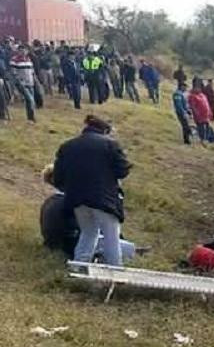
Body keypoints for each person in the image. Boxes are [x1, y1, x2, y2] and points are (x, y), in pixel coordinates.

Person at [52, 115, 132, 266]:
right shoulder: (110, 144)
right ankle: (114, 271)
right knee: (111, 238)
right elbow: (123, 170)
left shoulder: (67, 146)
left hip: (76, 199)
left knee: (88, 234)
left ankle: (78, 268)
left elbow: (58, 177)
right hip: (104, 199)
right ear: (105, 130)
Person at [10, 46, 36, 122]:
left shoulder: (29, 59)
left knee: (30, 101)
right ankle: (32, 118)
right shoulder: (14, 60)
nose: (23, 52)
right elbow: (13, 73)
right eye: (21, 51)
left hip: (30, 82)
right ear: (18, 51)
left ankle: (30, 118)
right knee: (30, 99)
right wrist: (18, 82)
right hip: (21, 83)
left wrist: (34, 80)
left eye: (24, 50)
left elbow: (32, 71)